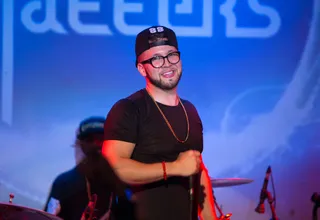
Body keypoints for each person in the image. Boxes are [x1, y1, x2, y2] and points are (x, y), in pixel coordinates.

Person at [102, 26, 218, 220]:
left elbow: (198, 169)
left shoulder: (190, 110)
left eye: (171, 55)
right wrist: (175, 168)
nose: (166, 64)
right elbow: (114, 166)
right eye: (156, 59)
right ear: (141, 68)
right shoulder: (129, 109)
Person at [43, 116, 116, 220]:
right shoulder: (63, 183)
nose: (96, 145)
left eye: (101, 139)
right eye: (90, 140)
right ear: (80, 144)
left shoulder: (123, 185)